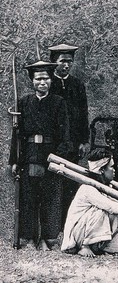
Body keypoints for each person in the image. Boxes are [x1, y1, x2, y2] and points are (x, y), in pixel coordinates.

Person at [12, 61, 70, 250]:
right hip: (29, 155)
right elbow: (17, 135)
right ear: (32, 81)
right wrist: (14, 160)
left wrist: (58, 157)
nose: (42, 82)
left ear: (51, 80)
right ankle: (28, 238)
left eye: (45, 78)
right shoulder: (24, 102)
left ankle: (47, 238)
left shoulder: (58, 103)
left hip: (50, 155)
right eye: (38, 79)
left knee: (50, 197)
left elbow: (65, 135)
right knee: (28, 197)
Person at [61, 149, 118, 257]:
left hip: (84, 230)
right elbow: (109, 206)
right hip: (76, 235)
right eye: (111, 167)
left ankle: (111, 247)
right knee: (101, 210)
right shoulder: (87, 188)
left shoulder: (105, 186)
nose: (114, 170)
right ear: (101, 170)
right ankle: (84, 246)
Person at [48, 44, 90, 225]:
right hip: (53, 141)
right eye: (62, 61)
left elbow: (83, 114)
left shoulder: (77, 85)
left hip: (73, 141)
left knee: (71, 181)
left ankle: (68, 223)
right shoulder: (47, 82)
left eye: (70, 61)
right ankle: (51, 224)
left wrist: (84, 141)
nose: (66, 65)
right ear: (54, 62)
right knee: (52, 181)